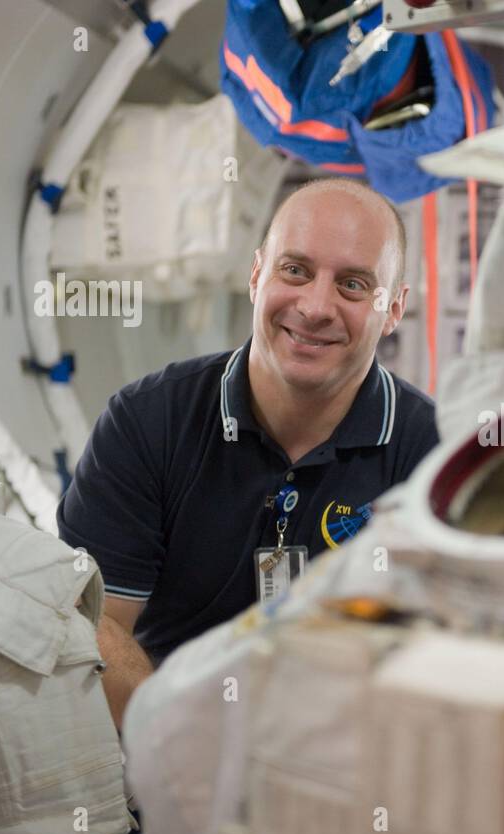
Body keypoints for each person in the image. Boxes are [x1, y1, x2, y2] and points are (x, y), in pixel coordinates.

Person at [58, 178, 439, 729]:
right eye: (296, 270)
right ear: (257, 273)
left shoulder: (432, 454)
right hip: (162, 747)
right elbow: (93, 623)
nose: (314, 306)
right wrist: (190, 746)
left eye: (353, 284)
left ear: (395, 308)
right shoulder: (148, 422)